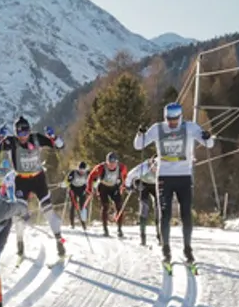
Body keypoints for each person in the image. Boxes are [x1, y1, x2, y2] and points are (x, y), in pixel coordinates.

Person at [134, 103, 214, 271]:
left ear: (180, 117)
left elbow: (209, 144)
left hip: (184, 176)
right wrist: (139, 134)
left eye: (175, 120)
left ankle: (187, 250)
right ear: (165, 118)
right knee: (165, 214)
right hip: (164, 176)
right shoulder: (157, 129)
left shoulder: (190, 127)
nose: (172, 124)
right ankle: (166, 251)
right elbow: (138, 145)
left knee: (186, 213)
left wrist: (208, 137)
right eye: (169, 120)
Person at [0, 116, 67, 262]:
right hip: (21, 180)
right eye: (20, 134)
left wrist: (53, 137)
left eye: (26, 133)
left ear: (29, 130)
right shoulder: (11, 142)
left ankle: (59, 241)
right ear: (15, 133)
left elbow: (60, 145)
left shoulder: (37, 138)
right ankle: (20, 243)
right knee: (19, 213)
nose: (23, 137)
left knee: (48, 210)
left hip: (38, 179)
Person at [87, 151, 128, 237]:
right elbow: (91, 176)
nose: (112, 165)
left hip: (114, 187)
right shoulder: (101, 167)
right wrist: (89, 188)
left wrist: (124, 185)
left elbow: (125, 176)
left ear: (117, 162)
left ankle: (119, 229)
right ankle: (105, 229)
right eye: (110, 163)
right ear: (106, 162)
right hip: (103, 187)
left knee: (119, 206)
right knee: (105, 206)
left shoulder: (121, 167)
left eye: (114, 163)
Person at [126, 154, 159, 245]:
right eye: (155, 166)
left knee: (159, 208)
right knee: (144, 207)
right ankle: (143, 236)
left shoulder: (164, 168)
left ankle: (160, 235)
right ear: (152, 164)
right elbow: (130, 175)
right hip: (143, 184)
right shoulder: (144, 167)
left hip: (155, 185)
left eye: (158, 167)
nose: (156, 169)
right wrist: (129, 186)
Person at [65, 160, 92, 229]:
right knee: (73, 206)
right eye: (80, 169)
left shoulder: (87, 173)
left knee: (83, 206)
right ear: (78, 168)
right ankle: (72, 223)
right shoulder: (73, 173)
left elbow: (92, 180)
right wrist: (65, 184)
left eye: (83, 169)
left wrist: (94, 184)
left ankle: (83, 223)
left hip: (82, 190)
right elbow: (67, 181)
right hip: (73, 190)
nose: (81, 171)